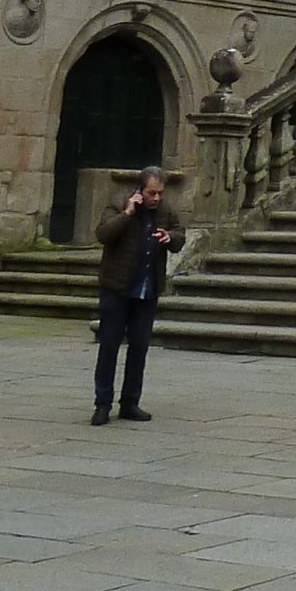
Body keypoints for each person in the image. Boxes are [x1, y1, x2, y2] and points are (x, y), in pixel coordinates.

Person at [93, 165, 183, 426]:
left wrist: (170, 237)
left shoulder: (165, 211)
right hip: (117, 288)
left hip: (147, 290)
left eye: (160, 193)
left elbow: (180, 235)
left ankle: (130, 402)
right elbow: (103, 234)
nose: (156, 198)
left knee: (139, 347)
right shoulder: (119, 203)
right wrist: (127, 214)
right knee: (109, 346)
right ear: (140, 190)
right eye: (151, 193)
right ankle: (102, 403)